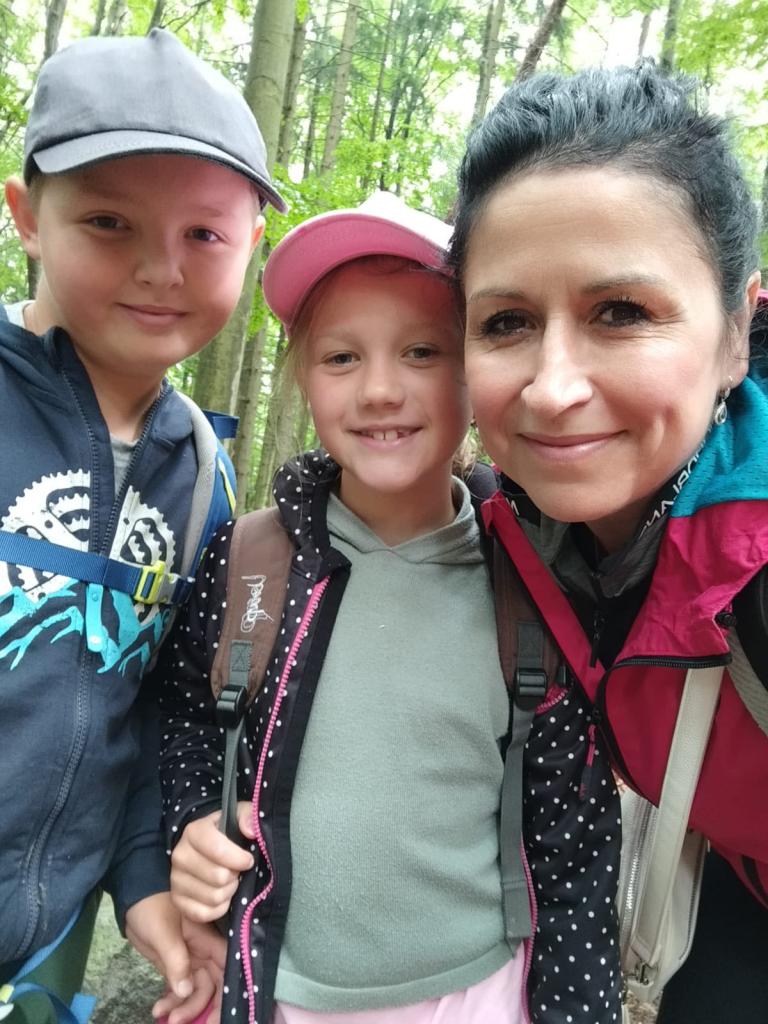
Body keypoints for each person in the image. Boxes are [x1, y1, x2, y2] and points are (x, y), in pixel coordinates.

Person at [156, 191, 624, 1024]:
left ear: (476, 371)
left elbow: (572, 839)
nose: (379, 389)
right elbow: (187, 714)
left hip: (478, 995)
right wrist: (192, 823)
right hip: (276, 988)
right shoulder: (251, 562)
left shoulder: (534, 578)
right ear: (303, 377)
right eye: (341, 357)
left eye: (421, 351)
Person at [448, 62, 768, 1023]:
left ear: (737, 334)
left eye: (621, 312)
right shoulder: (514, 535)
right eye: (506, 321)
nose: (552, 389)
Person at [0, 28, 285, 1024]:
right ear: (28, 217)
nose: (162, 268)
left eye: (204, 235)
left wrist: (142, 884)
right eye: (110, 222)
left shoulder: (204, 480)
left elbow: (148, 710)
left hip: (53, 943)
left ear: (252, 247)